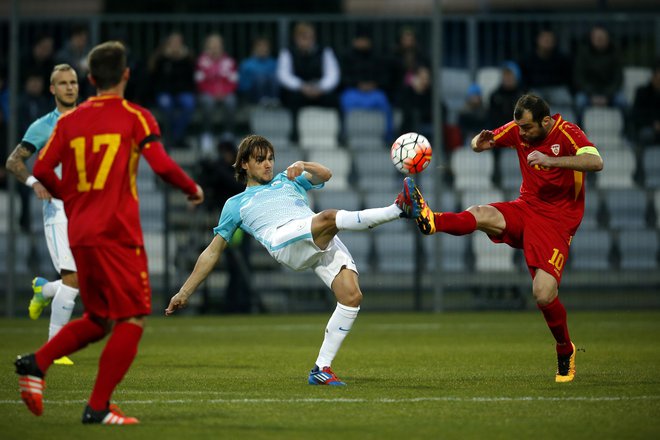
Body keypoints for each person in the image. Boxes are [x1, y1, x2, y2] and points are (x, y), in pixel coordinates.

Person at [15, 41, 204, 425]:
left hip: (80, 230)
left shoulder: (68, 122)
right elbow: (162, 165)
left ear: (89, 79)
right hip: (117, 232)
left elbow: (43, 168)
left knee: (100, 318)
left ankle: (36, 362)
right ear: (126, 75)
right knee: (132, 318)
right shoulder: (136, 116)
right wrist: (191, 188)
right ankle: (98, 406)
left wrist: (72, 196)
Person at [165, 134, 411, 385]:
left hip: (313, 233)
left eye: (271, 158)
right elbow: (212, 251)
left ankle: (321, 369)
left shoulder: (287, 179)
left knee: (351, 297)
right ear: (244, 165)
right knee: (328, 217)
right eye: (260, 159)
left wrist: (304, 165)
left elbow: (326, 175)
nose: (268, 164)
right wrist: (184, 292)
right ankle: (399, 209)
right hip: (284, 241)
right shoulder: (235, 204)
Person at [399, 94, 604, 383]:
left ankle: (564, 348)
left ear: (546, 121)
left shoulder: (567, 132)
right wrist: (477, 144)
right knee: (481, 213)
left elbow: (596, 162)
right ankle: (432, 221)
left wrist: (551, 159)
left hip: (558, 221)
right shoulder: (519, 129)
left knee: (543, 294)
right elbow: (482, 142)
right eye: (519, 127)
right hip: (527, 207)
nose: (521, 133)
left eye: (527, 128)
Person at [6, 64, 80, 366]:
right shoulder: (42, 126)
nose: (69, 87)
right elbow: (13, 161)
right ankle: (55, 347)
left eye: (73, 82)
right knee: (74, 277)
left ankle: (44, 289)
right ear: (52, 89)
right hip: (58, 209)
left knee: (84, 278)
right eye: (62, 83)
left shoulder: (88, 120)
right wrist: (35, 183)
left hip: (86, 206)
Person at [277, 21, 340, 141]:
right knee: (291, 99)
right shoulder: (287, 52)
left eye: (310, 37)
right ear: (296, 38)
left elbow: (333, 75)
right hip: (298, 92)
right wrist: (301, 86)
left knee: (335, 100)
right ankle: (294, 134)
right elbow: (283, 75)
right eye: (304, 37)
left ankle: (338, 135)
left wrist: (320, 87)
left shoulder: (325, 51)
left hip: (319, 91)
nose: (307, 40)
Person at [339, 25, 393, 142]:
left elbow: (384, 77)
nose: (362, 43)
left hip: (373, 93)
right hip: (354, 92)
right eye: (360, 40)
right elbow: (343, 78)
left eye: (365, 40)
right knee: (344, 100)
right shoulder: (347, 57)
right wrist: (358, 84)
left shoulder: (377, 57)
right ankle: (344, 135)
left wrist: (373, 84)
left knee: (384, 100)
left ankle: (388, 136)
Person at [149, 31, 197, 147]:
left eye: (178, 42)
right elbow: (152, 72)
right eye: (173, 42)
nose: (175, 45)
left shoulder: (187, 57)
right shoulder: (161, 57)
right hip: (164, 92)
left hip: (183, 92)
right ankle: (171, 137)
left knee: (189, 104)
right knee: (166, 106)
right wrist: (163, 56)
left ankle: (176, 137)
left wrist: (185, 57)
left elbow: (192, 75)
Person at [195, 33, 239, 152]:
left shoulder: (229, 61)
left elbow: (234, 81)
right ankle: (207, 134)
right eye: (211, 45)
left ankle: (228, 134)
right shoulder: (202, 62)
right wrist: (212, 93)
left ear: (222, 46)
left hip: (225, 94)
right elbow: (199, 82)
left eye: (217, 45)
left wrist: (224, 93)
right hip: (208, 94)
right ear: (207, 47)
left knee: (231, 101)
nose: (214, 48)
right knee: (207, 102)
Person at [573, 25, 625, 115]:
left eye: (602, 37)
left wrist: (607, 96)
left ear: (608, 38)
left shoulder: (614, 53)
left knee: (623, 102)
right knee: (579, 102)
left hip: (610, 93)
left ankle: (628, 128)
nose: (599, 40)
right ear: (591, 38)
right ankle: (578, 128)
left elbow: (618, 79)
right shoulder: (583, 53)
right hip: (588, 93)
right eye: (597, 37)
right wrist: (592, 95)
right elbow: (579, 78)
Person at [519, 29, 573, 106]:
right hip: (536, 89)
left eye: (550, 39)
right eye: (544, 39)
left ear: (554, 42)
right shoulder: (528, 58)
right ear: (537, 40)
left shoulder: (561, 59)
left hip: (556, 89)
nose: (547, 41)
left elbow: (567, 78)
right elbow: (525, 79)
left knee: (566, 99)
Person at [238, 36, 279, 105]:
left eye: (265, 46)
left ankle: (274, 99)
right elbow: (242, 85)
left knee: (273, 77)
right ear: (254, 48)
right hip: (252, 94)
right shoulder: (247, 64)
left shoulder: (274, 63)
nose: (262, 49)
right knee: (260, 78)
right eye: (260, 46)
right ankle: (262, 99)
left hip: (270, 94)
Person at [631, 63, 660, 147]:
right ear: (653, 78)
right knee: (646, 134)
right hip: (648, 127)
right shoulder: (642, 92)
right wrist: (654, 124)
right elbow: (637, 115)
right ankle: (640, 159)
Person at [489, 61, 525, 128]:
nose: (507, 78)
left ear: (517, 76)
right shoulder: (495, 96)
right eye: (505, 75)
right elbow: (492, 120)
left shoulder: (524, 95)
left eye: (510, 75)